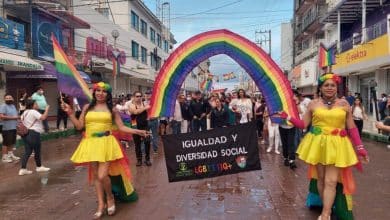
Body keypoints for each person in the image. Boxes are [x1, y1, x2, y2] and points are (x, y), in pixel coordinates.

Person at [279, 73, 369, 220]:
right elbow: (303, 124)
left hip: (337, 145)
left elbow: (352, 128)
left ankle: (326, 214)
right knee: (321, 179)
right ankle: (327, 206)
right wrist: (288, 117)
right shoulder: (313, 104)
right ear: (320, 87)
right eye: (326, 85)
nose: (329, 88)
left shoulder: (344, 104)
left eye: (332, 85)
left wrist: (360, 148)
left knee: (331, 181)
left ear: (336, 88)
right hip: (318, 145)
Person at [62, 82, 148, 218]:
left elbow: (121, 127)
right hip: (91, 143)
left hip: (107, 143)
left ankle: (110, 198)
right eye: (98, 90)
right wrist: (70, 113)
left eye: (104, 91)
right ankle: (101, 204)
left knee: (102, 175)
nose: (100, 93)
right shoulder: (86, 107)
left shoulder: (112, 109)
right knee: (96, 177)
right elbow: (79, 126)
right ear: (94, 92)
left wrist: (137, 131)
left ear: (108, 94)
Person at [18, 99, 50, 175]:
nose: (37, 105)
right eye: (36, 104)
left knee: (27, 151)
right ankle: (39, 167)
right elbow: (43, 117)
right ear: (32, 105)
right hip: (33, 133)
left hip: (26, 134)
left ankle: (23, 169)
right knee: (37, 151)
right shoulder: (33, 111)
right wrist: (47, 109)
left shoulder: (24, 113)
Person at [129, 91, 152, 166]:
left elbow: (150, 112)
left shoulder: (145, 104)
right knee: (137, 144)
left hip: (145, 126)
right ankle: (139, 160)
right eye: (137, 96)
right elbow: (135, 112)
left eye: (140, 96)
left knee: (147, 142)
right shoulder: (131, 105)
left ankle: (147, 159)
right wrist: (145, 107)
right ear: (134, 97)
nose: (139, 98)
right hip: (135, 127)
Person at [0, 94, 20, 163]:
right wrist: (14, 118)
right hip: (6, 127)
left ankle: (10, 154)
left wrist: (17, 124)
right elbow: (2, 116)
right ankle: (4, 157)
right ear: (4, 99)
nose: (8, 99)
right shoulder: (3, 106)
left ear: (12, 99)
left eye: (10, 98)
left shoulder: (13, 106)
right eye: (7, 98)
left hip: (13, 126)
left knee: (12, 141)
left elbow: (16, 116)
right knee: (6, 142)